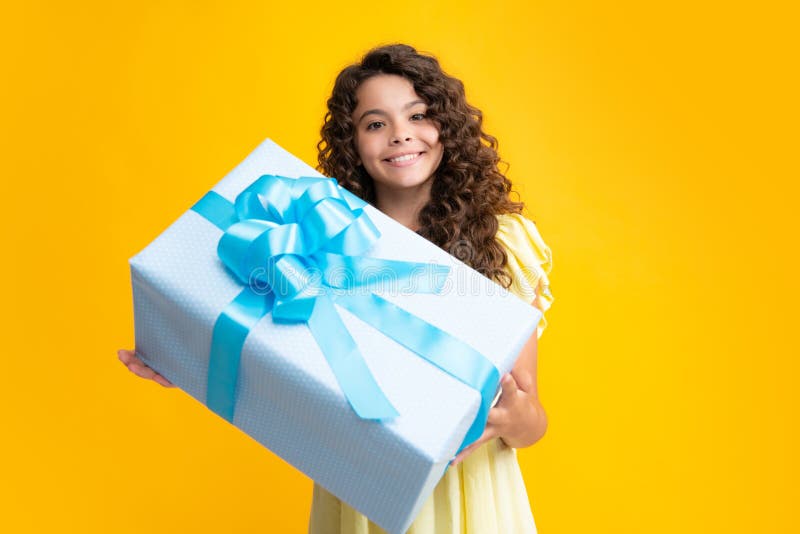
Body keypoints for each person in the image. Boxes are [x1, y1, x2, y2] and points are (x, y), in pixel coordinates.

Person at [118, 43, 554, 533]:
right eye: (375, 124)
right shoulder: (313, 236)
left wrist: (510, 418)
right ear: (352, 142)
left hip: (468, 495)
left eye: (418, 115)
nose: (400, 135)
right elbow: (283, 358)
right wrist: (188, 354)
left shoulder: (501, 240)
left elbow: (531, 418)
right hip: (361, 485)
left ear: (447, 127)